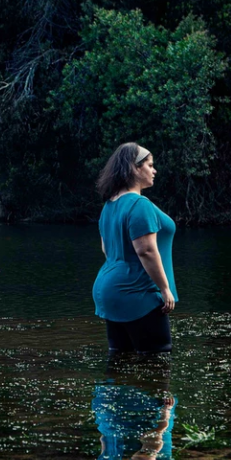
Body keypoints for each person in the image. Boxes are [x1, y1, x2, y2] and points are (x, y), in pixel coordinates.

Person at [92, 143, 177, 354]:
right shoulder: (140, 205)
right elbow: (146, 251)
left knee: (120, 361)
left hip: (109, 290)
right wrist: (165, 289)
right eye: (149, 165)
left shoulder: (109, 205)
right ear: (134, 168)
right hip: (137, 292)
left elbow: (106, 249)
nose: (154, 170)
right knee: (157, 359)